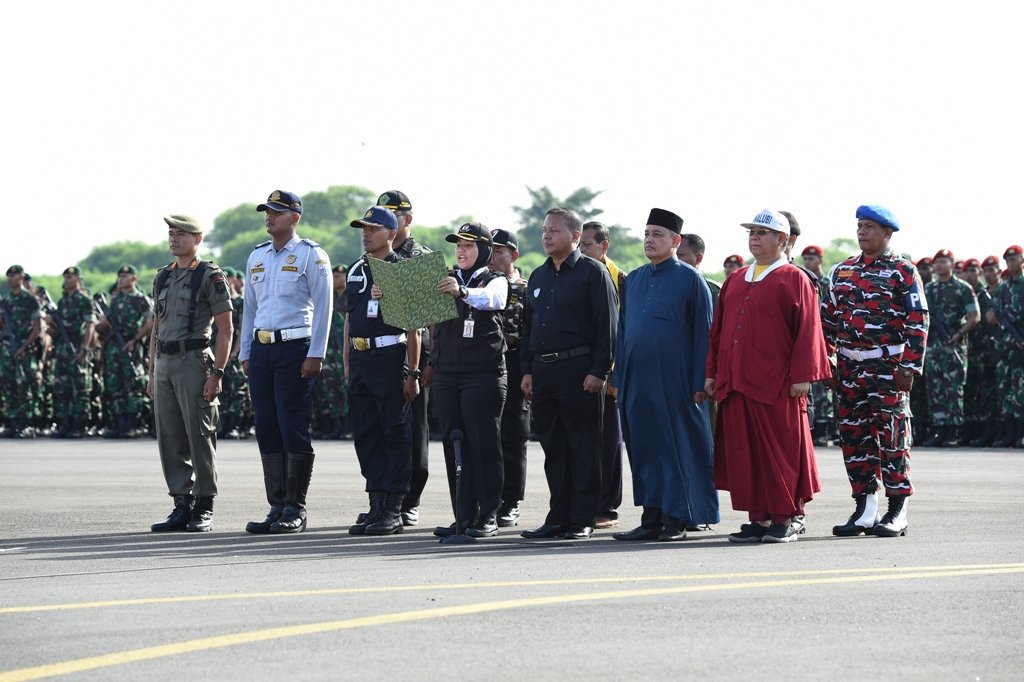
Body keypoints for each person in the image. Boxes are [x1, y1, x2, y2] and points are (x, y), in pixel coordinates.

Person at [706, 210, 830, 544]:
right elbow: (717, 332)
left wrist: (803, 375)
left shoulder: (794, 278)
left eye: (763, 232)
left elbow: (809, 330)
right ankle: (759, 518)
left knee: (781, 453)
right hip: (736, 381)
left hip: (777, 384)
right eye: (752, 232)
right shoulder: (736, 278)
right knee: (746, 453)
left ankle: (787, 517)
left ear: (783, 239)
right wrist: (712, 372)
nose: (755, 237)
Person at [823, 205, 928, 538]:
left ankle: (897, 510)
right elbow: (826, 322)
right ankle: (865, 510)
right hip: (849, 368)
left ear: (887, 232)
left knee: (893, 439)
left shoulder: (903, 271)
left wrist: (909, 367)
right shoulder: (841, 271)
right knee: (855, 440)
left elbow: (918, 320)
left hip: (888, 367)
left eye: (869, 226)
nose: (862, 231)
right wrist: (827, 361)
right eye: (859, 225)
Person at [612, 208, 716, 542]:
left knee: (676, 450)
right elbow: (623, 333)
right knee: (644, 449)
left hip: (676, 381)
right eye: (646, 234)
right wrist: (618, 377)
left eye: (657, 234)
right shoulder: (634, 279)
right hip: (637, 381)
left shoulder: (690, 279)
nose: (649, 240)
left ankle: (677, 519)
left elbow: (704, 333)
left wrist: (701, 380)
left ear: (675, 241)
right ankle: (651, 519)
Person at [520, 207, 617, 540]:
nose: (546, 236)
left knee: (584, 448)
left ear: (575, 236)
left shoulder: (593, 272)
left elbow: (608, 326)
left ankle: (582, 519)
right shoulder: (538, 275)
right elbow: (528, 328)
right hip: (544, 373)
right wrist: (527, 370)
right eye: (544, 230)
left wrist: (599, 370)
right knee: (554, 449)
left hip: (580, 372)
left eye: (554, 230)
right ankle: (558, 517)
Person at [240, 190, 332, 535]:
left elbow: (324, 307)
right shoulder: (257, 256)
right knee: (266, 427)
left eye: (276, 212)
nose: (269, 216)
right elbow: (250, 308)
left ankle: (296, 507)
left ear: (294, 217)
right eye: (267, 211)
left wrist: (316, 353)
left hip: (296, 349)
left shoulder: (311, 255)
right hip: (262, 350)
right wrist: (245, 352)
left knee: (292, 426)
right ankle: (276, 505)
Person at [148, 215, 233, 532]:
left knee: (200, 435)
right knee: (169, 437)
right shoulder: (163, 277)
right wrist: (151, 372)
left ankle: (204, 504)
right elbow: (156, 328)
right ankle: (181, 504)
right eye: (171, 233)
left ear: (197, 239)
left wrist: (217, 373)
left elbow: (226, 329)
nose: (174, 238)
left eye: (181, 233)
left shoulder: (209, 276)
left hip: (194, 361)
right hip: (165, 363)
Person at [427, 223, 509, 537]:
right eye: (458, 245)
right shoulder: (445, 279)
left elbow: (493, 300)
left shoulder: (495, 279)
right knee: (454, 445)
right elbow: (419, 314)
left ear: (484, 250)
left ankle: (487, 515)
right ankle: (463, 515)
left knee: (483, 446)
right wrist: (388, 295)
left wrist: (462, 292)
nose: (461, 251)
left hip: (482, 376)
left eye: (469, 246)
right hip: (448, 375)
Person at [344, 206, 421, 536]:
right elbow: (350, 320)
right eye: (363, 228)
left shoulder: (403, 270)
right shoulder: (357, 269)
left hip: (390, 356)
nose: (366, 234)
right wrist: (347, 363)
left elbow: (415, 329)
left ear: (391, 233)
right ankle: (376, 504)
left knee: (395, 434)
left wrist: (413, 373)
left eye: (373, 229)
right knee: (367, 434)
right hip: (361, 359)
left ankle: (394, 508)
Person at [377, 190, 432, 527]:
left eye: (393, 215)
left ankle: (409, 500)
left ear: (407, 219)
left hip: (414, 352)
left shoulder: (419, 259)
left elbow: (431, 320)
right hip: (381, 354)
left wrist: (427, 364)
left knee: (413, 429)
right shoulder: (375, 257)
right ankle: (384, 500)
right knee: (383, 430)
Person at [579, 221, 625, 529]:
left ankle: (607, 506)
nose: (582, 251)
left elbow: (621, 330)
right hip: (578, 371)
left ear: (604, 246)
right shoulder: (574, 274)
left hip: (608, 375)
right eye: (579, 246)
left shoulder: (620, 278)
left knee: (608, 442)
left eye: (588, 246)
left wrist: (612, 372)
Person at [490, 229, 530, 527]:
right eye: (489, 250)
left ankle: (511, 500)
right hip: (485, 365)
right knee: (486, 434)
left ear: (513, 255)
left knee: (513, 435)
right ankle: (488, 498)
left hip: (515, 363)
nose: (492, 257)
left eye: (498, 251)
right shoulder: (481, 284)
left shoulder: (526, 289)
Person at [920, 249, 978, 448]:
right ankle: (939, 430)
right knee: (934, 389)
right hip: (933, 347)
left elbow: (974, 316)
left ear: (951, 264)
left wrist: (959, 333)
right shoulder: (928, 289)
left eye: (943, 261)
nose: (938, 265)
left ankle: (953, 432)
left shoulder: (963, 288)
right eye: (937, 262)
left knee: (953, 389)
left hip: (953, 347)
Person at [96, 265, 154, 438]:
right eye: (119, 276)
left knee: (132, 385)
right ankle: (120, 423)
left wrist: (135, 340)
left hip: (131, 346)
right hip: (115, 347)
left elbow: (150, 323)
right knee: (115, 385)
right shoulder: (116, 299)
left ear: (133, 279)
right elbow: (107, 324)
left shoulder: (140, 299)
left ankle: (134, 424)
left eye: (124, 276)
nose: (120, 279)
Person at [48, 266, 97, 439]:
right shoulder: (63, 302)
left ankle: (80, 425)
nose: (67, 280)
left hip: (77, 346)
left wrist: (85, 348)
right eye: (65, 277)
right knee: (62, 388)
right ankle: (66, 424)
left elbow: (90, 326)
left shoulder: (84, 300)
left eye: (70, 277)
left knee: (80, 389)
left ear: (78, 279)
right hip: (63, 349)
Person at [799, 245, 837, 448]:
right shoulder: (803, 279)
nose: (808, 262)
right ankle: (815, 429)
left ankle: (825, 430)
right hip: (810, 339)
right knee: (813, 387)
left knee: (824, 388)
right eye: (805, 259)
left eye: (811, 259)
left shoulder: (827, 283)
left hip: (824, 339)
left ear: (820, 260)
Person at [0, 265, 43, 438]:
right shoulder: (5, 301)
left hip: (25, 348)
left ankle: (27, 423)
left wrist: (24, 346)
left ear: (21, 277)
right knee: (9, 384)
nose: (11, 279)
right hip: (8, 348)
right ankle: (13, 423)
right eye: (9, 276)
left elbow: (37, 328)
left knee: (25, 385)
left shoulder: (30, 300)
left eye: (14, 276)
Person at [987, 245, 1024, 448]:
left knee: (1021, 391)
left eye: (1014, 259)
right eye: (1008, 260)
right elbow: (991, 315)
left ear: (1022, 260)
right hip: (1006, 348)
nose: (1011, 263)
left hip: (1021, 345)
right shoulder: (1003, 288)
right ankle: (1010, 434)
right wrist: (995, 318)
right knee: (1006, 390)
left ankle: (1021, 434)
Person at [962, 258, 998, 446]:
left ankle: (988, 431)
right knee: (970, 391)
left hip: (984, 349)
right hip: (969, 349)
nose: (970, 274)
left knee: (985, 391)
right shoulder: (964, 292)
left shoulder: (984, 296)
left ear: (979, 273)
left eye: (973, 271)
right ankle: (971, 430)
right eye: (967, 271)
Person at [311, 263, 350, 439]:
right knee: (329, 388)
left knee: (345, 387)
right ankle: (336, 424)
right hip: (330, 350)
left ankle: (348, 425)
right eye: (333, 276)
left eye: (338, 276)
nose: (334, 280)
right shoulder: (330, 298)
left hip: (345, 349)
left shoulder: (351, 297)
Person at [676, 233, 721, 306]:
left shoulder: (712, 291)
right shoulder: (663, 283)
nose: (674, 259)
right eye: (672, 255)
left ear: (698, 258)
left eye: (679, 255)